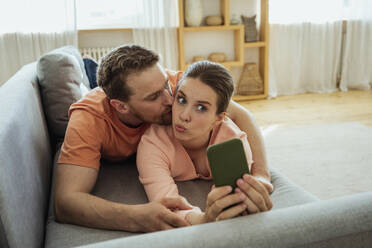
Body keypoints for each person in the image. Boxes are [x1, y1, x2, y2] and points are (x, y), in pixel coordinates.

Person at [54, 45, 273, 232]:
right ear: (121, 106)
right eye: (154, 97)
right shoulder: (88, 119)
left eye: (167, 87)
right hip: (115, 132)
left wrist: (262, 175)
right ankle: (86, 67)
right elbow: (65, 203)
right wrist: (136, 216)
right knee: (89, 81)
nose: (170, 100)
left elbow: (241, 114)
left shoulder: (172, 86)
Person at [137, 61, 273, 224]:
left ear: (219, 119)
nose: (184, 116)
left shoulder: (232, 141)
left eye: (201, 108)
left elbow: (233, 199)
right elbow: (165, 204)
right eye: (181, 100)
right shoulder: (153, 144)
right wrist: (202, 219)